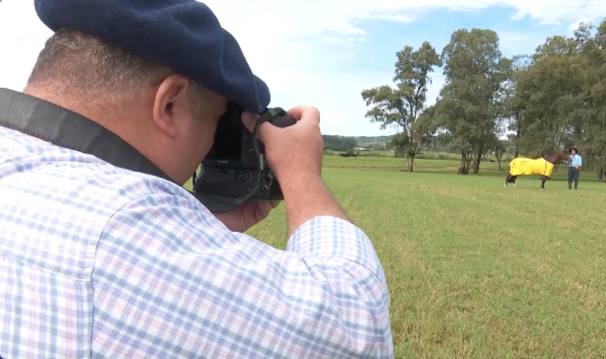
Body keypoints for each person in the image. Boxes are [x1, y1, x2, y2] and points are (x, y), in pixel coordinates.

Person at [0, 0, 392, 357]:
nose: (209, 147)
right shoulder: (118, 229)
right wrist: (302, 173)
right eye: (217, 121)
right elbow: (357, 331)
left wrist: (194, 224)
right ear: (169, 103)